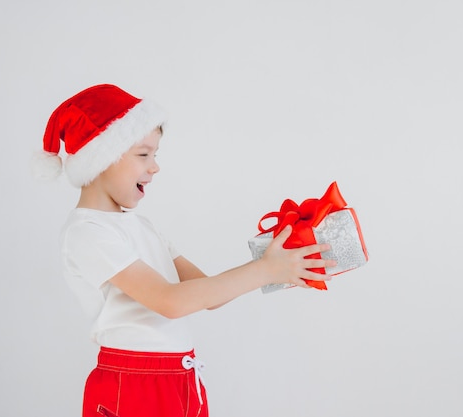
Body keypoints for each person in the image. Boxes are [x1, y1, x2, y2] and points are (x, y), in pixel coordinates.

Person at [33, 84, 336, 417]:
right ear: (104, 158)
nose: (155, 166)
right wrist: (264, 270)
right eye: (143, 154)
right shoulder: (88, 232)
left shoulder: (144, 228)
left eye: (156, 155)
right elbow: (170, 301)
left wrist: (278, 260)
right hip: (134, 384)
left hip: (178, 377)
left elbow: (207, 293)